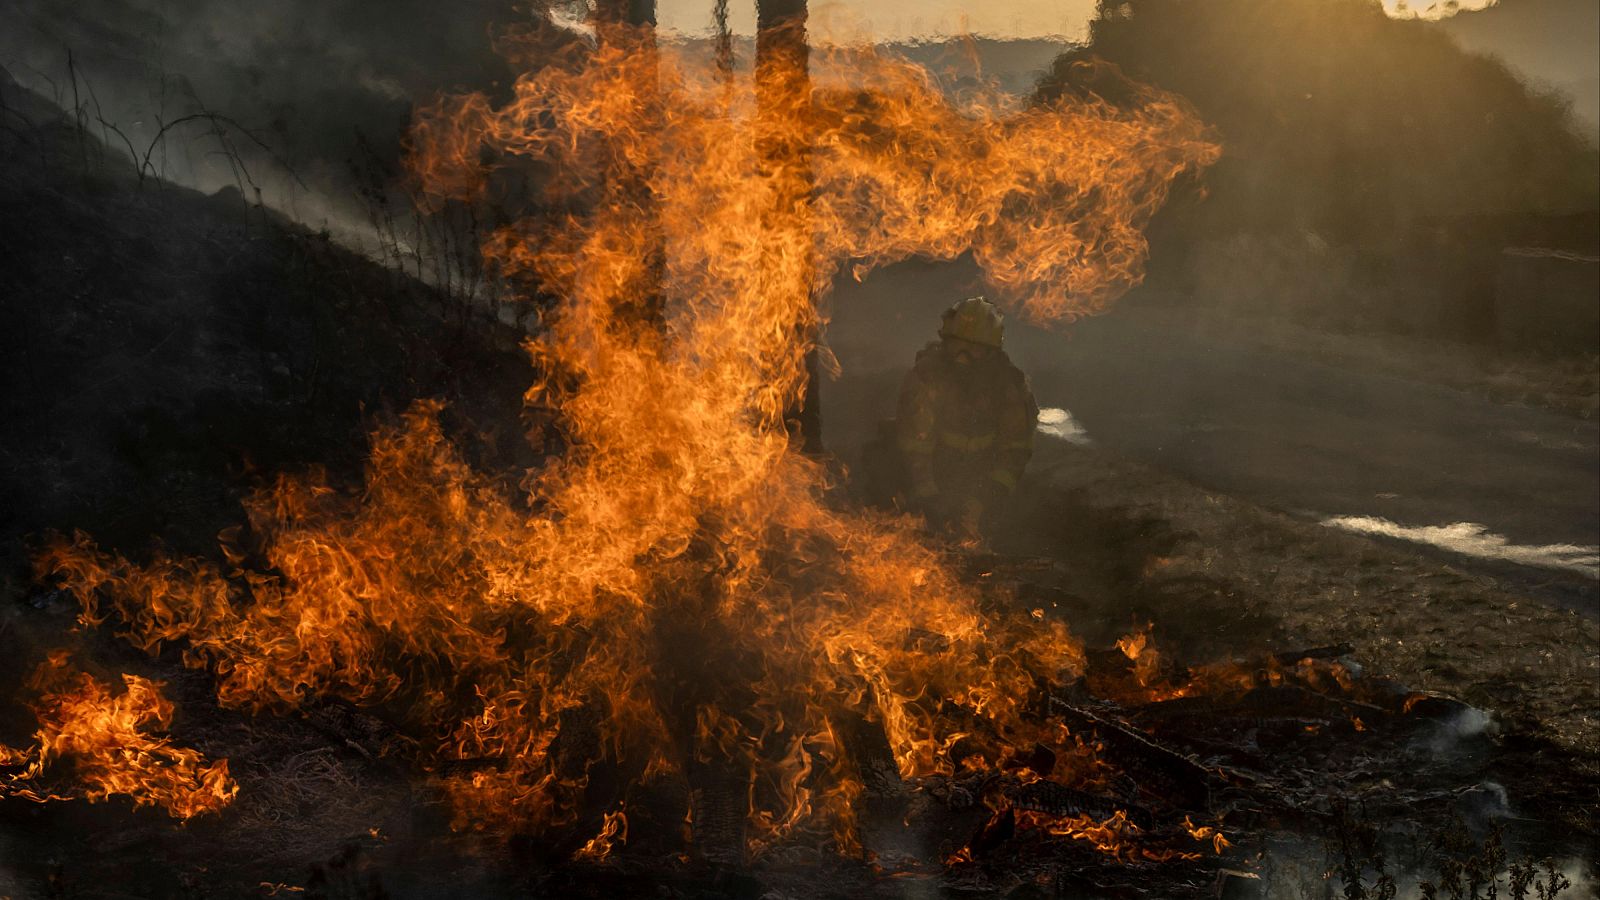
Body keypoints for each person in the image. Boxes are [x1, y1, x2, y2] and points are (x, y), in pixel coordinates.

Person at [888, 296, 1038, 536]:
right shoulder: (927, 379)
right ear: (945, 342)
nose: (963, 357)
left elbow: (1016, 449)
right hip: (932, 472)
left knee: (1014, 517)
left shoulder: (1008, 387)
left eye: (974, 348)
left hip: (983, 476)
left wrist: (988, 498)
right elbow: (915, 447)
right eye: (957, 345)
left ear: (991, 353)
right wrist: (929, 497)